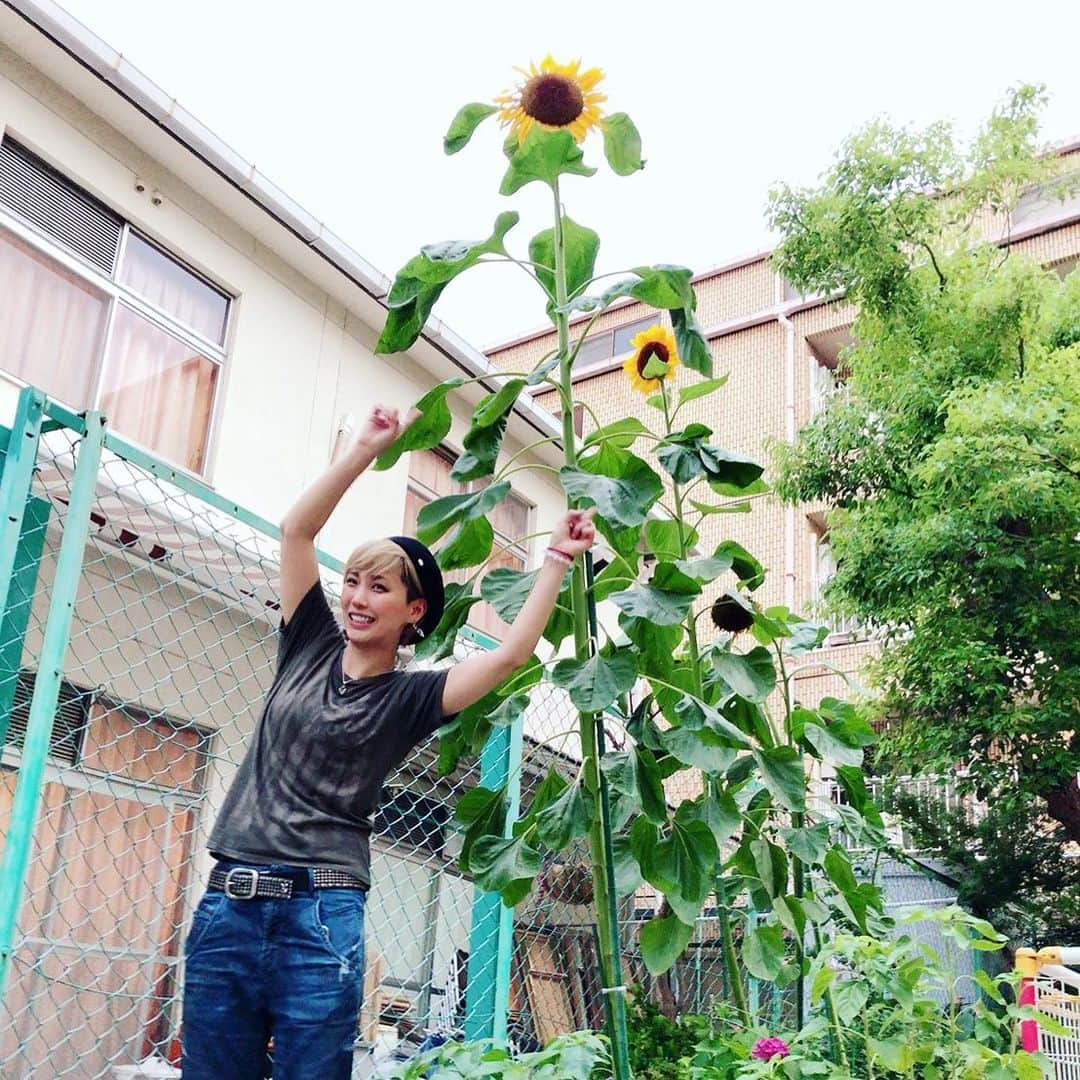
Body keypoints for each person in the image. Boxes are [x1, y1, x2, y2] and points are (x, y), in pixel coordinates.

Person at [180, 403, 597, 1080]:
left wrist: (553, 559)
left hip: (321, 909)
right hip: (230, 899)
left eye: (379, 586)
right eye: (353, 581)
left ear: (414, 612)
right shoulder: (308, 643)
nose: (357, 597)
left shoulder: (410, 698)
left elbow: (512, 653)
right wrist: (366, 449)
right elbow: (297, 531)